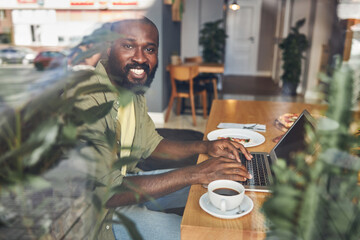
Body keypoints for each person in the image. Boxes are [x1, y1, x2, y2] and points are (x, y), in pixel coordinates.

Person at [74, 17, 253, 240]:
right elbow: (107, 191)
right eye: (128, 45)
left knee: (219, 181)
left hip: (127, 185)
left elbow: (152, 144)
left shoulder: (131, 91)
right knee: (196, 233)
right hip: (99, 214)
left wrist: (205, 146)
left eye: (149, 49)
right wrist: (196, 172)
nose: (140, 58)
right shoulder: (85, 101)